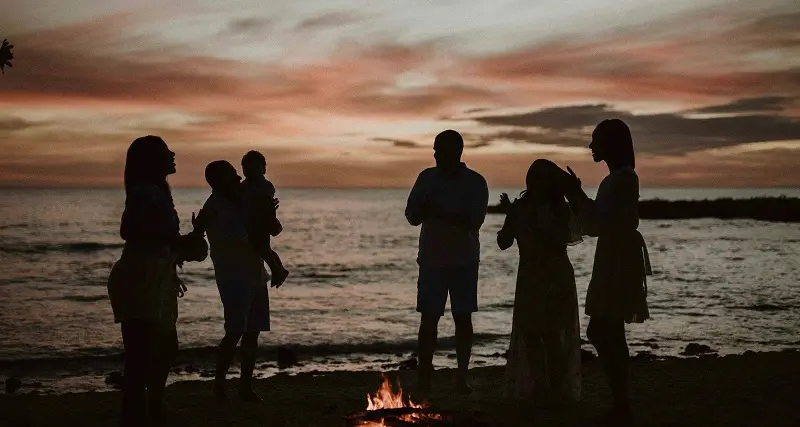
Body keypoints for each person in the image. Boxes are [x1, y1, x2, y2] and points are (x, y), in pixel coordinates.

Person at [107, 136, 207, 427]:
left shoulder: (156, 192)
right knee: (142, 353)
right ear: (152, 160)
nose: (173, 154)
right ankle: (138, 412)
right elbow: (130, 230)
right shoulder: (144, 192)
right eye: (166, 152)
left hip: (155, 278)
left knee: (163, 348)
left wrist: (187, 241)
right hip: (140, 279)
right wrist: (179, 241)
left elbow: (158, 240)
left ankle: (150, 408)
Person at [563, 119, 652, 426]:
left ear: (610, 144)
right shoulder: (619, 178)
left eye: (596, 141)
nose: (591, 146)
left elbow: (597, 224)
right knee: (608, 329)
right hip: (616, 255)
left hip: (618, 258)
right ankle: (621, 404)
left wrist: (575, 195)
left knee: (603, 329)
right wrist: (579, 197)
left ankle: (622, 404)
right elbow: (598, 222)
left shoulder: (622, 179)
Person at [405, 129, 489, 394]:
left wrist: (438, 212)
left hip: (464, 260)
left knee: (462, 319)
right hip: (431, 260)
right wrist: (423, 212)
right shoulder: (426, 178)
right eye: (435, 149)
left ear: (455, 152)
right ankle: (424, 379)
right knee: (428, 320)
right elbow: (411, 215)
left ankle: (461, 377)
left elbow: (474, 221)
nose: (435, 154)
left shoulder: (475, 182)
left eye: (439, 149)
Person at [497, 159, 583, 406]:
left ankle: (556, 390)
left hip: (554, 275)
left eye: (541, 178)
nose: (535, 183)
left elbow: (556, 243)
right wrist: (511, 219)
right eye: (532, 178)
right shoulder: (520, 206)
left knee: (552, 334)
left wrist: (524, 220)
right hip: (529, 276)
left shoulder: (559, 209)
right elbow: (504, 242)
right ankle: (539, 387)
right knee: (531, 334)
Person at [194, 160, 271, 402]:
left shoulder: (242, 202)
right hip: (233, 278)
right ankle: (219, 387)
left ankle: (245, 388)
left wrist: (269, 213)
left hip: (255, 273)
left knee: (253, 333)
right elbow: (196, 241)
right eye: (232, 175)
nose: (239, 178)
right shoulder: (212, 207)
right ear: (218, 181)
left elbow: (265, 231)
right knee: (235, 331)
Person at [241, 150, 289, 288]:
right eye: (247, 168)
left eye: (255, 168)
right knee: (264, 249)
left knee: (263, 248)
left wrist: (271, 222)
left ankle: (277, 269)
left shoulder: (264, 185)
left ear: (263, 169)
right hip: (253, 223)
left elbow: (267, 206)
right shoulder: (245, 185)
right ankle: (279, 269)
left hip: (261, 223)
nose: (251, 171)